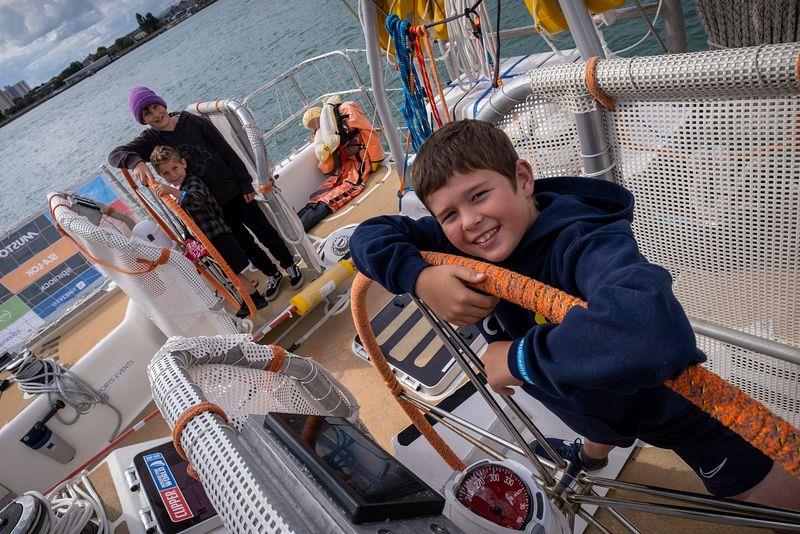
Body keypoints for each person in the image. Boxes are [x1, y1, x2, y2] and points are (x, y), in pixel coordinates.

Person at [350, 119, 800, 509]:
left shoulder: (584, 243)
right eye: (448, 214)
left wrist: (516, 360)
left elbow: (652, 336)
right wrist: (419, 278)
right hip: (584, 401)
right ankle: (592, 453)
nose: (468, 222)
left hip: (662, 405)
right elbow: (369, 235)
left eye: (480, 195)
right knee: (593, 420)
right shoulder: (462, 236)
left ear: (523, 178)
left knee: (760, 496)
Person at [108, 86, 303, 300]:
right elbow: (116, 154)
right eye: (147, 113)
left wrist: (245, 183)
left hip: (235, 191)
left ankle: (289, 264)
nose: (155, 115)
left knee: (264, 230)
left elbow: (225, 150)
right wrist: (135, 162)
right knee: (245, 244)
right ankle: (272, 273)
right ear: (143, 120)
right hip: (211, 208)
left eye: (156, 107)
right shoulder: (150, 139)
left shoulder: (193, 121)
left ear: (163, 105)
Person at [149, 146, 268, 318]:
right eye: (166, 173)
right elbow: (187, 220)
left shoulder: (193, 182)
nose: (173, 175)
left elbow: (195, 201)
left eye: (175, 168)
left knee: (233, 271)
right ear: (161, 176)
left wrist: (172, 190)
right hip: (206, 239)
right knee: (228, 273)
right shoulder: (178, 191)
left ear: (183, 164)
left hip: (218, 235)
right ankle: (248, 298)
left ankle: (255, 298)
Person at [296, 100, 384, 231]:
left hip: (360, 161)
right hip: (344, 165)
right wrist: (322, 149)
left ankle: (300, 225)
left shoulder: (346, 112)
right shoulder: (324, 135)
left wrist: (375, 159)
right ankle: (297, 220)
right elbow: (327, 168)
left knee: (342, 190)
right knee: (325, 190)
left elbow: (368, 132)